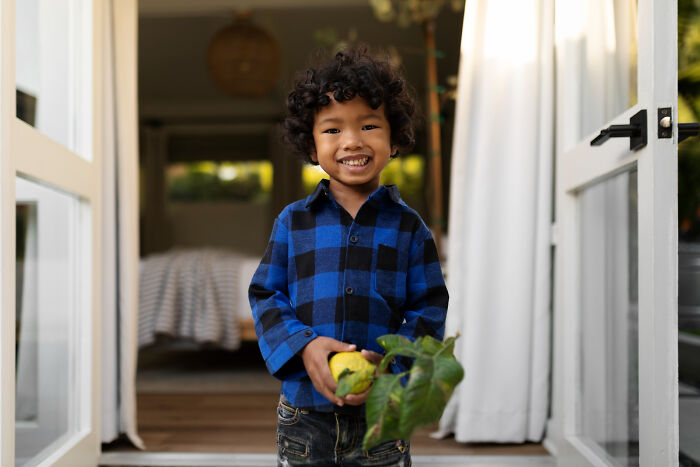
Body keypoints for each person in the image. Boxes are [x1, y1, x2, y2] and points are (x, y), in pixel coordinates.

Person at [249, 46, 448, 467]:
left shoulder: (411, 229)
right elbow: (266, 295)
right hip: (304, 416)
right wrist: (305, 346)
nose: (353, 140)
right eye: (332, 130)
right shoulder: (293, 222)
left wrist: (393, 365)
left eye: (370, 124)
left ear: (394, 139)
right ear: (310, 144)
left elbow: (428, 309)